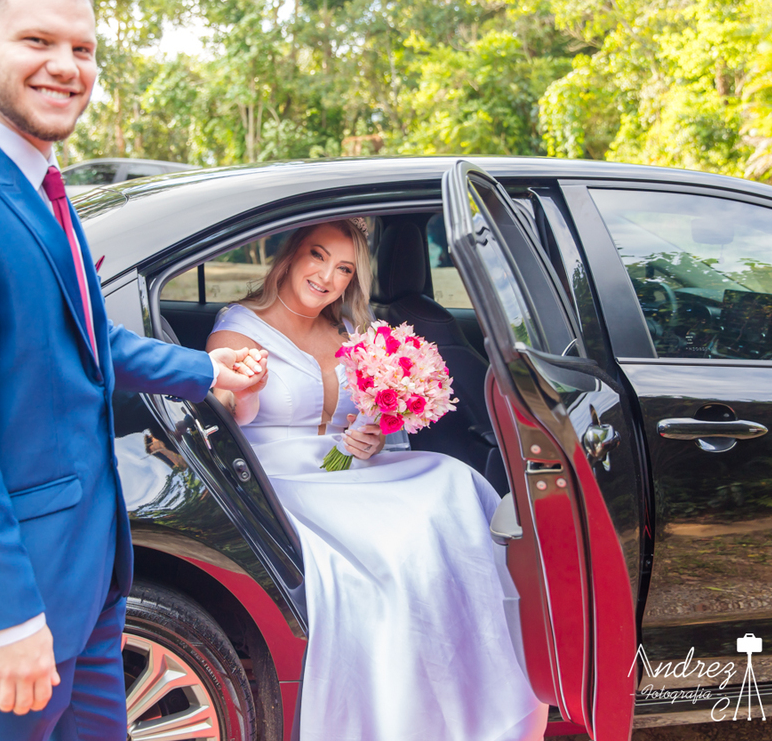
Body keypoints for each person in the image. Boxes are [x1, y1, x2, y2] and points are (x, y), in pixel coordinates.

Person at [0, 0, 266, 740]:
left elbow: (87, 340)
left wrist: (206, 369)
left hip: (89, 584)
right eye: (37, 42)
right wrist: (5, 617)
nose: (66, 67)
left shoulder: (43, 186)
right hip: (11, 610)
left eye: (81, 50)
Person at [207, 218, 548, 741]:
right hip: (282, 479)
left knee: (455, 482)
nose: (326, 276)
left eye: (343, 269)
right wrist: (236, 389)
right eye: (318, 257)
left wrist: (373, 435)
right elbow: (225, 409)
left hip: (347, 467)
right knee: (394, 554)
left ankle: (487, 682)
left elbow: (360, 417)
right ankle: (398, 714)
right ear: (292, 256)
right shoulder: (239, 329)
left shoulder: (349, 332)